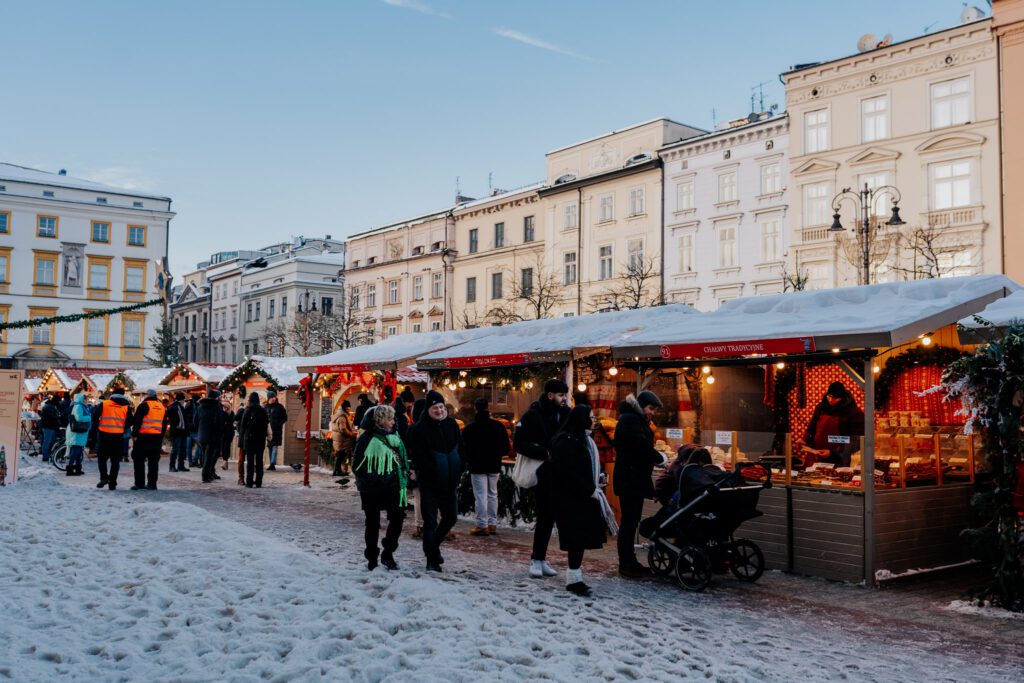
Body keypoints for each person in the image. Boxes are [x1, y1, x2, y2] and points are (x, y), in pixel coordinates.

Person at [550, 404, 617, 597]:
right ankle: (574, 580)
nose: (594, 420)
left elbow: (585, 467)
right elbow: (566, 472)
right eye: (590, 416)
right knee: (575, 539)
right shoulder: (567, 441)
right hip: (571, 498)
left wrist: (599, 478)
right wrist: (589, 488)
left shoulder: (586, 440)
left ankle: (575, 577)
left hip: (583, 496)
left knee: (579, 539)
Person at [513, 378, 570, 578]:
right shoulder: (533, 415)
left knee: (552, 517)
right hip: (542, 473)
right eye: (561, 395)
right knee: (545, 516)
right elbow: (519, 443)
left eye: (565, 395)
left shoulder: (566, 413)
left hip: (561, 472)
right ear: (550, 395)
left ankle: (542, 558)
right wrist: (544, 453)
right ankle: (536, 559)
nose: (565, 399)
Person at [405, 390, 463, 572]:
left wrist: (461, 466)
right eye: (435, 408)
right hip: (430, 484)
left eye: (441, 407)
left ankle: (433, 547)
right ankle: (431, 559)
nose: (439, 411)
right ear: (428, 410)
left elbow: (461, 448)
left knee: (451, 518)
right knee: (430, 522)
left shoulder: (452, 425)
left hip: (450, 483)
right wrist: (428, 472)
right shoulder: (418, 429)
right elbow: (417, 455)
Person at [613, 391, 669, 578]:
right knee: (629, 523)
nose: (652, 412)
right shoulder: (631, 420)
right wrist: (658, 457)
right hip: (630, 480)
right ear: (642, 405)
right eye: (650, 408)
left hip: (633, 479)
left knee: (631, 521)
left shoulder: (636, 420)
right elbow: (640, 446)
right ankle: (626, 564)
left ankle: (630, 561)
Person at [353, 405, 410, 571]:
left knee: (397, 519)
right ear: (380, 420)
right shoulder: (366, 439)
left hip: (394, 487)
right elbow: (357, 466)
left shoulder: (395, 437)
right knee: (372, 523)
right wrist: (378, 477)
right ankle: (372, 558)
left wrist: (404, 471)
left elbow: (401, 459)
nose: (393, 422)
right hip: (372, 489)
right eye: (390, 419)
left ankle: (388, 552)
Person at [461, 398, 510, 537]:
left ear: (476, 408)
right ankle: (492, 523)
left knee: (481, 495)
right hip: (494, 464)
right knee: (492, 494)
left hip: (477, 466)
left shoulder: (470, 428)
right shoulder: (498, 426)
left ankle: (482, 525)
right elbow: (506, 447)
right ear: (488, 408)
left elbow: (464, 449)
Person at [801, 381, 865, 468]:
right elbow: (812, 428)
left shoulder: (854, 413)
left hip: (839, 460)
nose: (830, 400)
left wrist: (832, 452)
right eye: (829, 396)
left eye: (835, 398)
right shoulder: (821, 407)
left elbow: (855, 440)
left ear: (842, 397)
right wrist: (805, 439)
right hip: (816, 457)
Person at [89, 387, 134, 491]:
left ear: (112, 394)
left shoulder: (105, 403)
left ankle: (104, 478)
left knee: (102, 458)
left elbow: (95, 416)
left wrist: (99, 426)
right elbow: (130, 421)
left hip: (104, 435)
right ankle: (112, 483)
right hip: (118, 436)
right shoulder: (126, 407)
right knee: (115, 461)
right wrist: (122, 427)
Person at [131, 389, 167, 490]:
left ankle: (139, 483)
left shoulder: (144, 405)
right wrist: (161, 436)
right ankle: (152, 484)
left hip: (143, 437)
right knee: (153, 462)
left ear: (147, 395)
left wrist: (135, 434)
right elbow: (164, 424)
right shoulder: (162, 407)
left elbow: (137, 421)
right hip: (156, 438)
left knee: (139, 461)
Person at [239, 392, 269, 488]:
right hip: (260, 440)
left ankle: (249, 482)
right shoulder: (263, 411)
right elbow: (266, 425)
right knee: (259, 461)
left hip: (249, 439)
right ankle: (259, 482)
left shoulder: (247, 410)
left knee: (250, 462)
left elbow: (242, 426)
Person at [195, 389, 223, 483]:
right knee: (209, 456)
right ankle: (206, 476)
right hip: (212, 435)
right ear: (215, 397)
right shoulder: (216, 407)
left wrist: (199, 429)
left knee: (204, 455)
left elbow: (195, 421)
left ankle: (207, 474)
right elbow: (219, 422)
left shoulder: (200, 407)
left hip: (201, 435)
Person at [408, 398, 426, 538]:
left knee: (419, 497)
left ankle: (420, 526)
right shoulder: (437, 426)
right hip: (434, 469)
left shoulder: (413, 429)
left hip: (418, 467)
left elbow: (409, 449)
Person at [64, 393, 91, 477]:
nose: (86, 400)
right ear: (81, 399)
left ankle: (78, 469)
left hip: (80, 432)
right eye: (85, 399)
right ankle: (70, 469)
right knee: (75, 451)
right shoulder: (78, 406)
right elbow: (79, 418)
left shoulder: (81, 406)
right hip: (77, 432)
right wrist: (89, 417)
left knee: (78, 452)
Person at [331, 400, 357, 477]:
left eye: (349, 408)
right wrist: (352, 434)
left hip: (338, 439)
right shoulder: (342, 417)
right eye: (347, 408)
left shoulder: (338, 414)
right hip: (342, 440)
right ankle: (338, 471)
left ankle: (336, 471)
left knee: (340, 455)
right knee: (341, 455)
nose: (348, 410)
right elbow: (343, 429)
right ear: (343, 408)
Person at [168, 393, 191, 472]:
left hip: (181, 432)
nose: (184, 401)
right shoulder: (175, 407)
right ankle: (172, 466)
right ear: (181, 400)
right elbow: (172, 417)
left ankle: (180, 466)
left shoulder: (180, 407)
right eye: (183, 400)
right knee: (176, 449)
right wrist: (176, 425)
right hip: (177, 432)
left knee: (181, 449)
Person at [265, 390, 288, 471]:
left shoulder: (279, 407)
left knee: (274, 447)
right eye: (271, 397)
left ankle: (272, 463)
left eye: (274, 397)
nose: (273, 399)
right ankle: (272, 463)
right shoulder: (266, 407)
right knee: (270, 447)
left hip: (277, 430)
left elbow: (285, 418)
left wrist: (279, 424)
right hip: (268, 431)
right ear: (268, 398)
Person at [38, 396, 61, 463]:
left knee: (48, 441)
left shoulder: (49, 406)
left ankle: (47, 455)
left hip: (48, 426)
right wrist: (58, 417)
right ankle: (45, 456)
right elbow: (51, 417)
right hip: (48, 426)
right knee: (47, 441)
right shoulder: (50, 407)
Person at [218, 400, 236, 471]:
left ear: (228, 407)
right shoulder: (221, 413)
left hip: (229, 433)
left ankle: (225, 461)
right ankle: (225, 462)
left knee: (226, 447)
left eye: (225, 407)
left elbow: (232, 421)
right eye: (223, 407)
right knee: (223, 447)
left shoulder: (231, 413)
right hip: (222, 433)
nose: (224, 408)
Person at [234, 401, 247, 485]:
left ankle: (241, 478)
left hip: (244, 438)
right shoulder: (243, 411)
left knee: (241, 459)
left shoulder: (243, 411)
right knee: (244, 459)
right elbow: (236, 418)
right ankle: (242, 478)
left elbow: (235, 418)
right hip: (247, 439)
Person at [187, 395, 200, 467]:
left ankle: (190, 462)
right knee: (199, 446)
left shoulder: (188, 405)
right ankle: (194, 460)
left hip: (189, 429)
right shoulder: (199, 406)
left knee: (189, 447)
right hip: (196, 429)